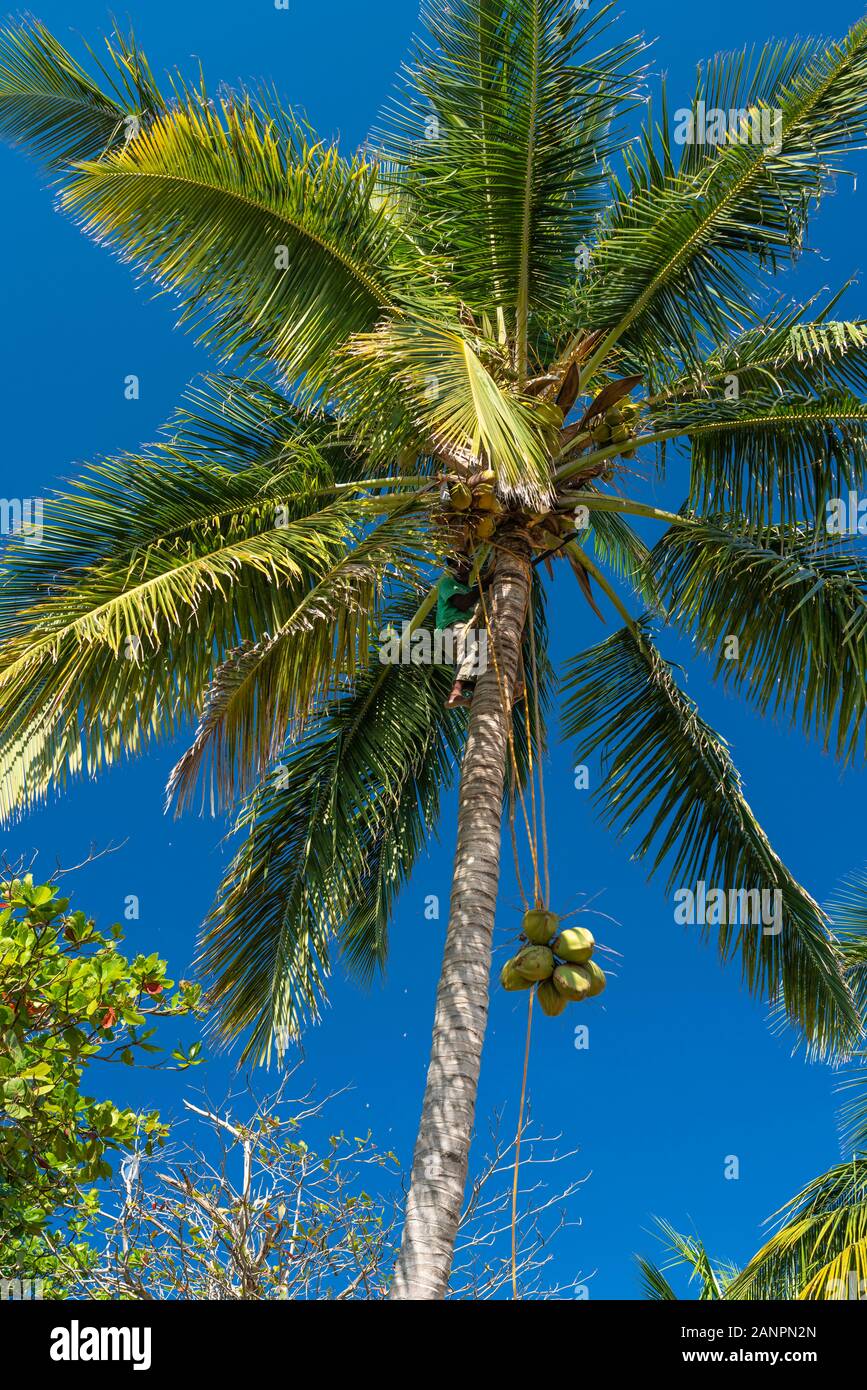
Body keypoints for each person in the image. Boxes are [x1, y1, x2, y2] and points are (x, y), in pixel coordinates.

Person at [436, 561, 483, 708]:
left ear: (470, 567)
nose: (459, 568)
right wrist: (484, 584)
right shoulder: (447, 583)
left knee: (484, 652)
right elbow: (461, 604)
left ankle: (476, 693)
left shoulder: (469, 590)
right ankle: (455, 693)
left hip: (465, 632)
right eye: (454, 565)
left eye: (464, 565)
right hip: (450, 629)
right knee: (474, 641)